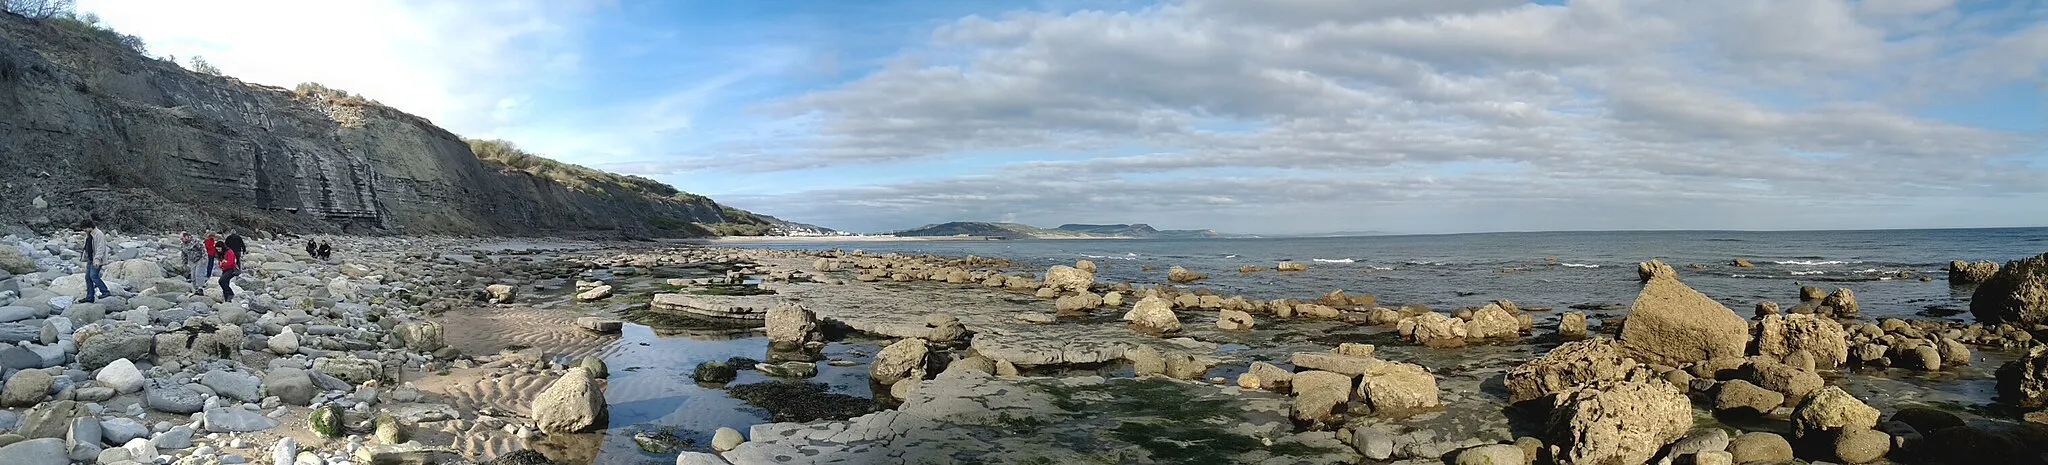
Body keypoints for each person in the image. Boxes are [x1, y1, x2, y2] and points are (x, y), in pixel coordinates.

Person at [79, 219, 112, 303]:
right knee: (88, 278)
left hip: (97, 259)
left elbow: (101, 248)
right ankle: (90, 297)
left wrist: (97, 260)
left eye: (85, 228)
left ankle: (105, 291)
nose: (84, 230)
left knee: (93, 276)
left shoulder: (99, 234)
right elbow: (87, 246)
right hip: (90, 259)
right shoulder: (89, 234)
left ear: (90, 227)